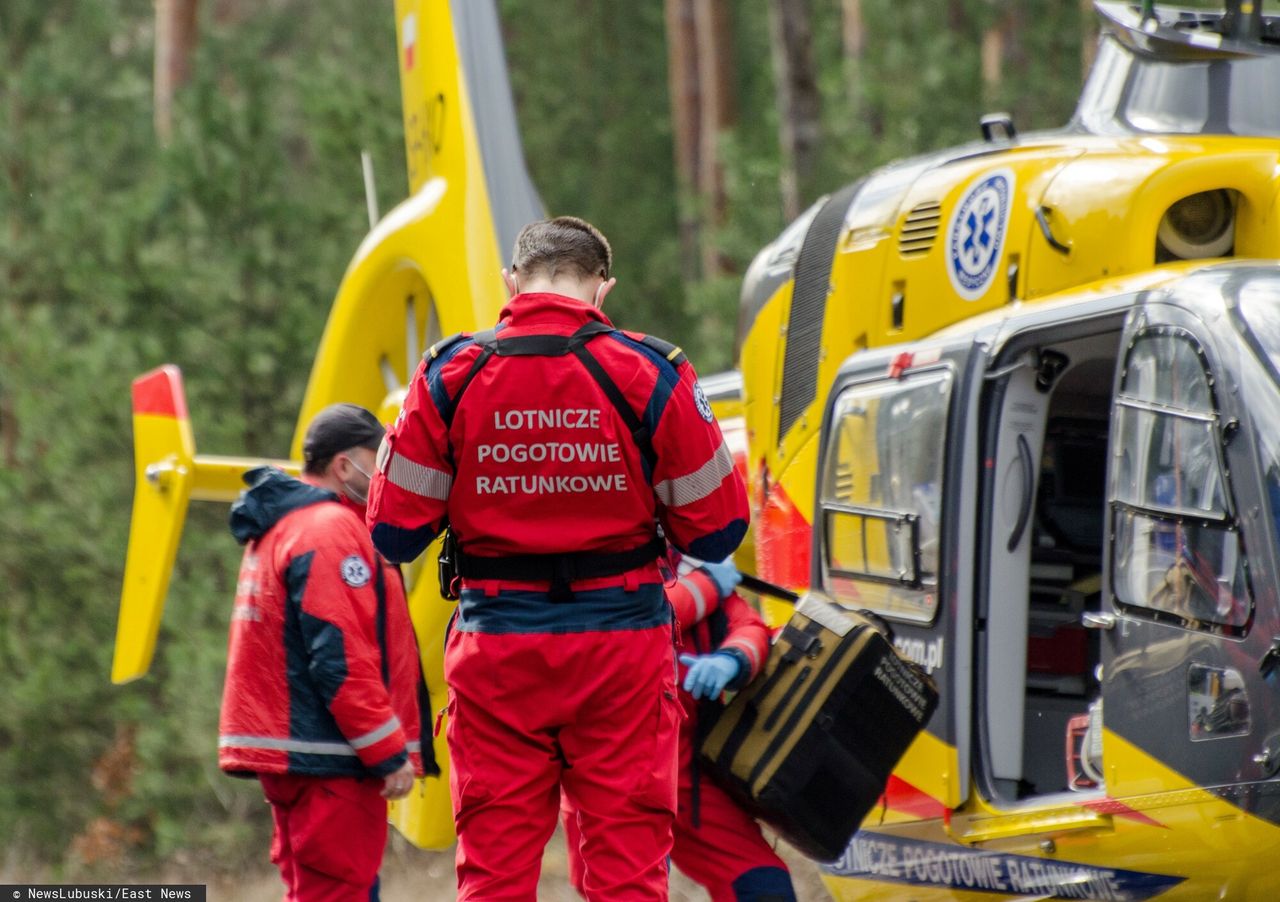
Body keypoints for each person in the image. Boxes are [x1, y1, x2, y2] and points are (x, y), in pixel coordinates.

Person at [366, 216, 749, 901]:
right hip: (623, 655)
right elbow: (716, 534)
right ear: (602, 289)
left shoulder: (449, 375)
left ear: (513, 282)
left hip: (497, 655)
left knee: (494, 874)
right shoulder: (651, 372)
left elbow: (393, 534)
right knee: (627, 874)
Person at [219, 404, 437, 902]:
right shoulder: (330, 531)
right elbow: (339, 659)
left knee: (310, 889)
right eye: (376, 460)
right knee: (340, 890)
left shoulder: (283, 525)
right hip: (331, 760)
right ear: (343, 466)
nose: (384, 473)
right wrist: (387, 752)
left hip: (300, 757)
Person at [562, 556, 797, 902]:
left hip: (686, 773)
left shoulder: (692, 564)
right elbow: (625, 625)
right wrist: (704, 586)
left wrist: (734, 659)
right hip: (609, 773)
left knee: (764, 885)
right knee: (623, 890)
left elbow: (748, 626)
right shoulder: (583, 565)